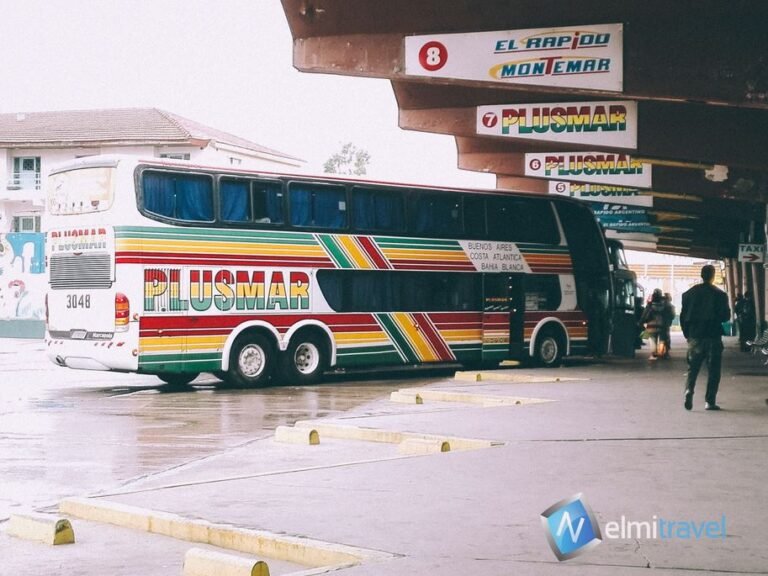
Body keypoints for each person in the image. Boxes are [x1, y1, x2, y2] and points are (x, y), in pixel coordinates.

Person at [679, 265, 730, 411]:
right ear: (713, 276)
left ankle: (689, 390)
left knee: (692, 368)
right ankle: (710, 401)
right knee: (714, 370)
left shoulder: (688, 294)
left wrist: (687, 334)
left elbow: (683, 317)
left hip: (695, 335)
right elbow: (726, 316)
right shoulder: (720, 294)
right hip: (713, 336)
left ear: (701, 275)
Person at [641, 289, 667, 359]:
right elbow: (668, 315)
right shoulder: (664, 305)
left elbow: (644, 315)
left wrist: (641, 322)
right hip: (662, 325)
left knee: (653, 340)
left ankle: (654, 355)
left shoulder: (649, 305)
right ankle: (661, 353)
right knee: (662, 340)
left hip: (651, 325)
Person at [661, 292, 676, 358]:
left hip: (657, 323)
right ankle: (666, 353)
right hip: (666, 323)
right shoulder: (670, 306)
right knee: (666, 338)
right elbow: (673, 316)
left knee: (659, 338)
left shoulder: (659, 304)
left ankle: (659, 352)